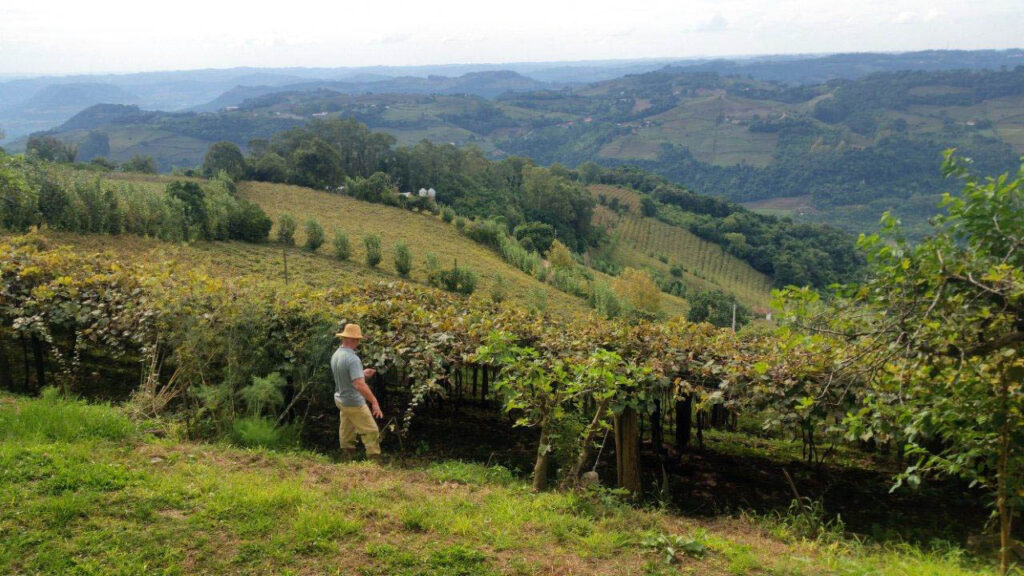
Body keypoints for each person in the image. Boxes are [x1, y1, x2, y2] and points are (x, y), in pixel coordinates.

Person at [330, 323, 383, 460]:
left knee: (347, 429)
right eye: (358, 339)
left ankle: (346, 458)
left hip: (340, 399)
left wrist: (361, 373)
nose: (359, 342)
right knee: (371, 431)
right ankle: (374, 462)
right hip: (354, 402)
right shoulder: (353, 359)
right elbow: (359, 384)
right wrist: (374, 402)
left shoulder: (337, 354)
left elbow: (345, 376)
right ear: (353, 340)